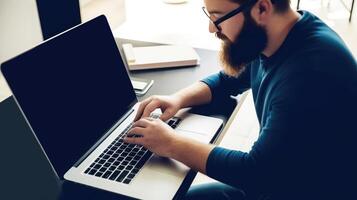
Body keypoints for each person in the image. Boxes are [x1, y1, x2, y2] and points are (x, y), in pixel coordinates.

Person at [124, 0, 357, 199]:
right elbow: (228, 80)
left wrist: (171, 143)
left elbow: (255, 172)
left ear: (262, 8)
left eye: (217, 18)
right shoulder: (280, 35)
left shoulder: (310, 74)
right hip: (283, 182)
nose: (211, 29)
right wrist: (177, 99)